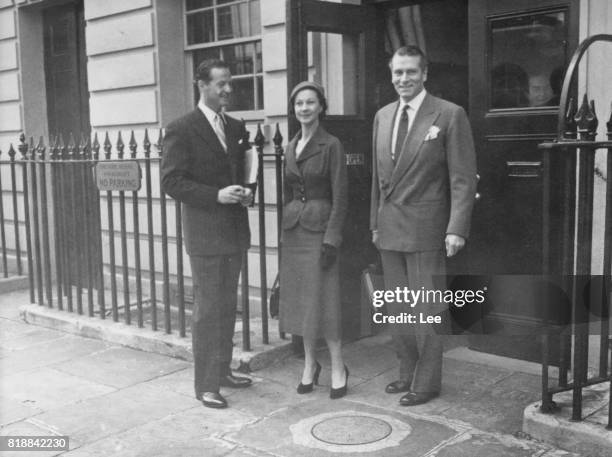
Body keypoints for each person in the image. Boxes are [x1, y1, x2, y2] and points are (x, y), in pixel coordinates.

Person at [370, 46, 477, 406]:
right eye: (398, 72)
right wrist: (374, 223)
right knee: (398, 306)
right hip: (389, 228)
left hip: (426, 228)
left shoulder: (448, 114)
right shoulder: (383, 116)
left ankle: (427, 382)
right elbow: (377, 179)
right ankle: (406, 371)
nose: (403, 79)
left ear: (425, 73)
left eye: (410, 72)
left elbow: (463, 178)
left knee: (426, 308)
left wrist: (457, 227)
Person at [161, 59, 254, 409]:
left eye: (230, 83)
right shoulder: (181, 129)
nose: (228, 89)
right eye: (221, 84)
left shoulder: (235, 126)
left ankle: (223, 371)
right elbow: (171, 181)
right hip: (205, 235)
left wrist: (247, 191)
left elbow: (243, 170)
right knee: (208, 310)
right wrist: (215, 195)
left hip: (233, 231)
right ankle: (206, 386)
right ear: (202, 85)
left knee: (228, 305)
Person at [279, 81, 349, 399]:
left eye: (310, 103)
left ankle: (337, 366)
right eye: (299, 104)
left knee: (327, 302)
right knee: (302, 303)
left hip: (321, 232)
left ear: (321, 106)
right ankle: (309, 365)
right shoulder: (290, 146)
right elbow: (286, 193)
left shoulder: (331, 145)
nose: (304, 109)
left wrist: (332, 239)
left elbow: (341, 196)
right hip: (294, 233)